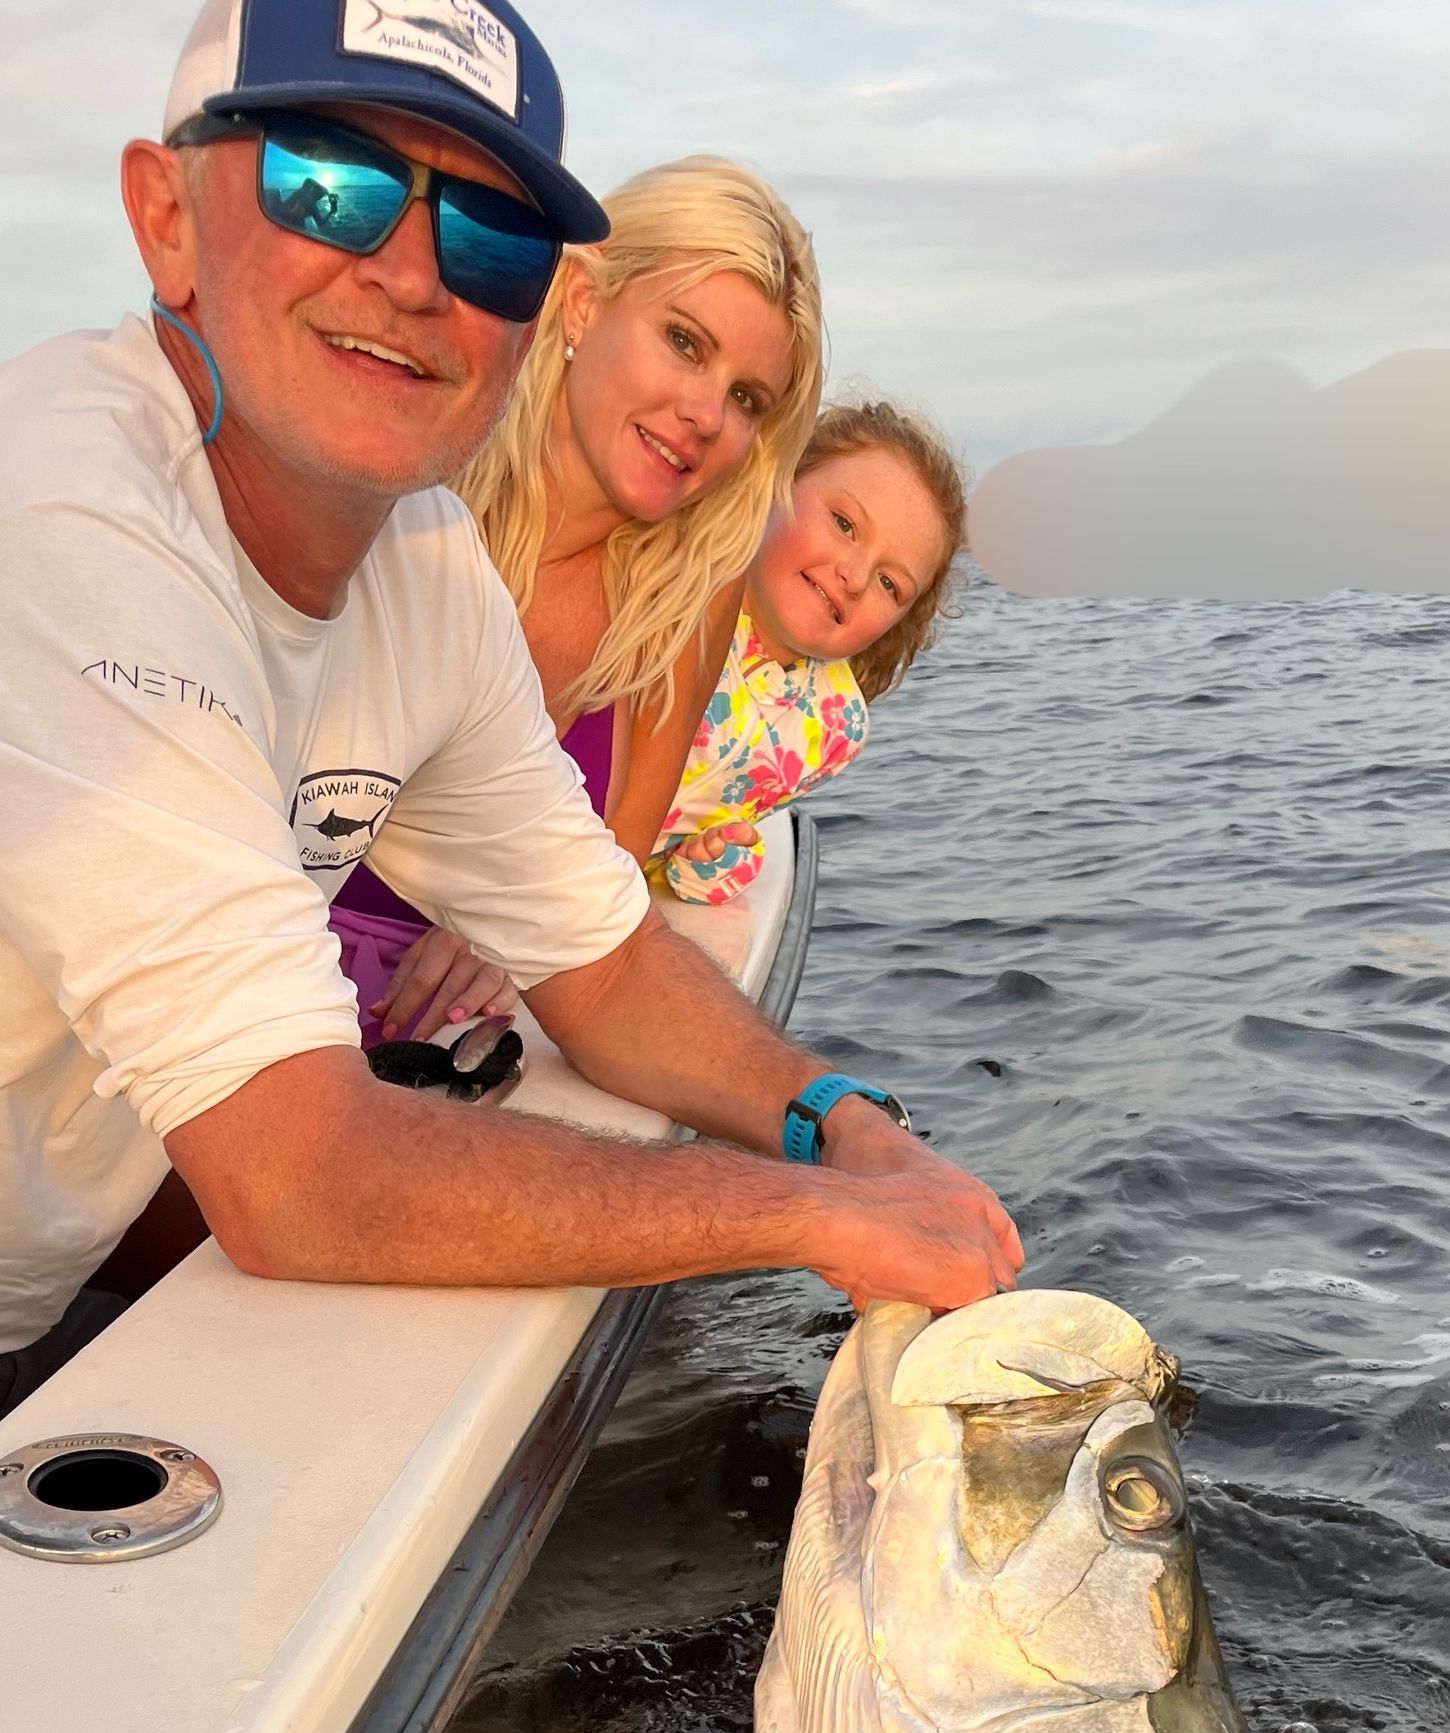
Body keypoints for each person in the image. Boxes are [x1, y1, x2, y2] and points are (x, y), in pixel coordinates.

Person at [0, 0, 1019, 1416]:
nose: (414, 276)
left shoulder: (418, 561)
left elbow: (604, 965)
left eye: (489, 237)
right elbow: (298, 1174)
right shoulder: (65, 512)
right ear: (166, 217)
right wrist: (811, 1216)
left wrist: (843, 1125)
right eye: (331, 183)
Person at [340, 152, 823, 1044]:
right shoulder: (407, 483)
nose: (707, 415)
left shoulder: (690, 596)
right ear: (582, 301)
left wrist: (516, 938)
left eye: (747, 397)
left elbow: (609, 894)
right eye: (685, 342)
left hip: (459, 1044)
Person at [653, 399, 967, 912]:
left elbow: (683, 838)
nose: (855, 577)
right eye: (844, 524)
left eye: (890, 584)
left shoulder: (832, 727)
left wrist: (707, 861)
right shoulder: (665, 585)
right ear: (776, 483)